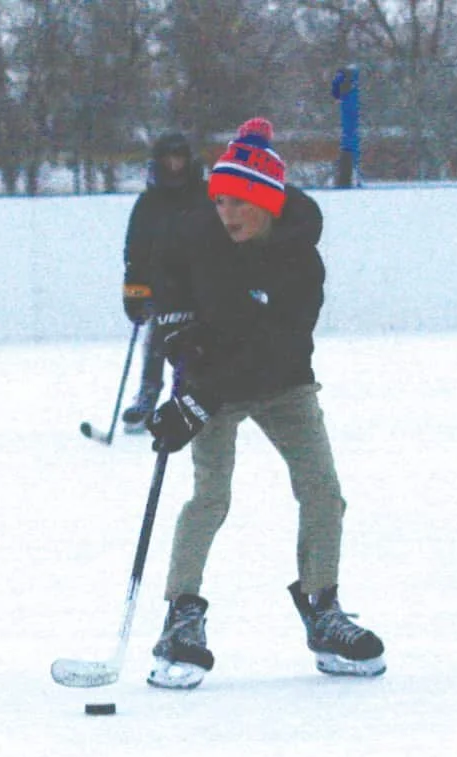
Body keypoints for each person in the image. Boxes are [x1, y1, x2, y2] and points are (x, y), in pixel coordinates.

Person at [142, 118, 384, 689]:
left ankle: (323, 609)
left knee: (323, 489)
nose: (227, 213)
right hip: (211, 377)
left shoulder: (301, 260)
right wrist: (181, 348)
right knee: (210, 495)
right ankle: (182, 616)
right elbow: (170, 287)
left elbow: (278, 346)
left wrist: (199, 401)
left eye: (239, 203)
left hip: (281, 381)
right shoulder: (198, 234)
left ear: (267, 202)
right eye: (220, 200)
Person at [120, 132, 210, 434]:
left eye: (180, 157)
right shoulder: (148, 203)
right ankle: (148, 394)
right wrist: (134, 295)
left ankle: (198, 397)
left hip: (201, 286)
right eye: (168, 158)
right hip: (163, 288)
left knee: (204, 346)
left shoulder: (206, 196)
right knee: (159, 341)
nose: (175, 164)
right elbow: (135, 254)